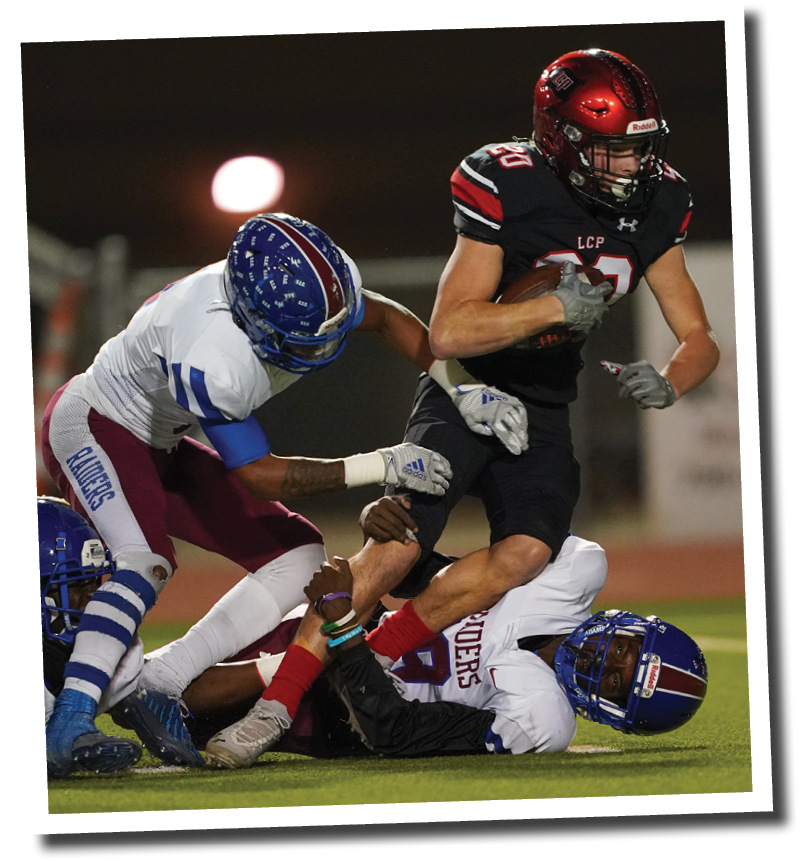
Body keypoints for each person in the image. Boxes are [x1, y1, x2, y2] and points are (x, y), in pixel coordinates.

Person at [202, 48, 721, 767]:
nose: (632, 167)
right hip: (467, 389)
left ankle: (367, 663)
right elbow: (448, 331)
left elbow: (698, 336)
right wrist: (550, 304)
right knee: (396, 548)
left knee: (526, 552)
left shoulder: (659, 200)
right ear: (562, 143)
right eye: (613, 150)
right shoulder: (507, 182)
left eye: (638, 149)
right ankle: (274, 706)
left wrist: (672, 378)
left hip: (543, 403)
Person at [40, 212, 529, 779]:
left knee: (297, 553)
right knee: (140, 563)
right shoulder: (211, 354)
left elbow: (388, 320)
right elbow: (261, 475)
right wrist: (383, 463)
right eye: (307, 336)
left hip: (158, 437)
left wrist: (462, 386)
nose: (324, 345)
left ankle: (161, 681)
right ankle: (68, 719)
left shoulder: (301, 290)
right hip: (96, 425)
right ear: (250, 317)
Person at [40, 496, 707, 767]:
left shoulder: (542, 719)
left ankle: (65, 693)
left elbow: (392, 732)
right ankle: (76, 667)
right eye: (624, 649)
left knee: (182, 706)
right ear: (628, 625)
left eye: (615, 679)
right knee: (307, 555)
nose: (604, 660)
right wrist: (394, 532)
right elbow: (438, 577)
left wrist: (342, 635)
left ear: (610, 712)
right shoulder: (572, 574)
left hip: (344, 705)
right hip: (359, 624)